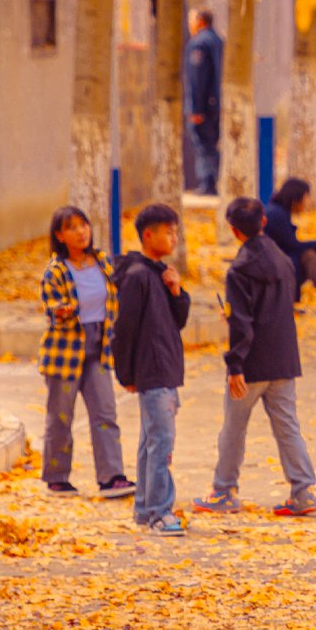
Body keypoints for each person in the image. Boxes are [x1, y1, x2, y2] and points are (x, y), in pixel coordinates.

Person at [194, 197, 316, 516]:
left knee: (234, 427)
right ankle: (303, 490)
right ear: (263, 222)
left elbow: (242, 322)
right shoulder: (281, 258)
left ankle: (224, 489)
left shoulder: (239, 270)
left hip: (252, 362)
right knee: (287, 425)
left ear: (234, 231)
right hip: (284, 357)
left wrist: (235, 364)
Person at [38, 206, 134, 500]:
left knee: (106, 412)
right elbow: (51, 309)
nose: (81, 232)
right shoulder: (55, 271)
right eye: (72, 227)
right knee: (61, 417)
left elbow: (116, 297)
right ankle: (57, 478)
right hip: (64, 354)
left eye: (84, 225)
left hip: (99, 350)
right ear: (60, 235)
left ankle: (112, 477)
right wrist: (62, 312)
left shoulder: (103, 262)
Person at [112, 204, 191, 535]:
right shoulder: (137, 277)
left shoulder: (160, 274)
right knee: (161, 443)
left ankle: (145, 507)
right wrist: (127, 373)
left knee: (150, 441)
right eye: (168, 232)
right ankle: (160, 511)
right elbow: (124, 328)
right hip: (152, 369)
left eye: (175, 231)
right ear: (148, 235)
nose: (174, 238)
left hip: (165, 369)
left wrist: (177, 291)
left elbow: (178, 322)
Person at [263, 177, 316, 316]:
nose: (308, 202)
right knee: (309, 256)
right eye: (306, 197)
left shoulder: (278, 211)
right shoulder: (277, 214)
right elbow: (291, 245)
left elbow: (289, 245)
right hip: (272, 265)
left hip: (276, 260)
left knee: (309, 255)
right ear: (296, 197)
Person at [185, 9, 224, 195]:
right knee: (213, 142)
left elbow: (197, 78)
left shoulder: (199, 43)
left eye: (192, 20)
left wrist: (196, 108)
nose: (190, 24)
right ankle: (214, 180)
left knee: (204, 144)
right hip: (217, 103)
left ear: (200, 21)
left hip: (204, 106)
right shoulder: (219, 41)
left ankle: (208, 182)